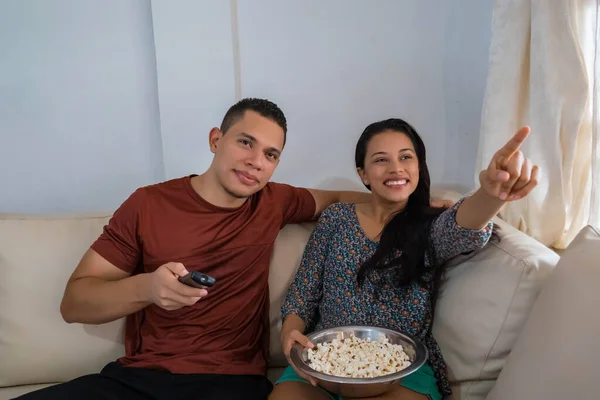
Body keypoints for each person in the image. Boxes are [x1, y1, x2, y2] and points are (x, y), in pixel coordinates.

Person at [15, 98, 388, 400]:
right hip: (139, 378)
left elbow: (341, 198)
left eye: (271, 155)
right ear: (215, 140)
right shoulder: (147, 204)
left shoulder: (274, 201)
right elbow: (73, 303)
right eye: (246, 142)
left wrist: (409, 204)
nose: (256, 163)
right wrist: (147, 288)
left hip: (230, 382)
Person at [271, 119, 540, 400]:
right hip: (324, 361)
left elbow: (462, 228)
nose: (396, 168)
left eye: (406, 157)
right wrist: (291, 333)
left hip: (401, 368)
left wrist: (490, 194)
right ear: (363, 174)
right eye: (380, 160)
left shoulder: (429, 225)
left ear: (418, 166)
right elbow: (304, 290)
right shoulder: (336, 218)